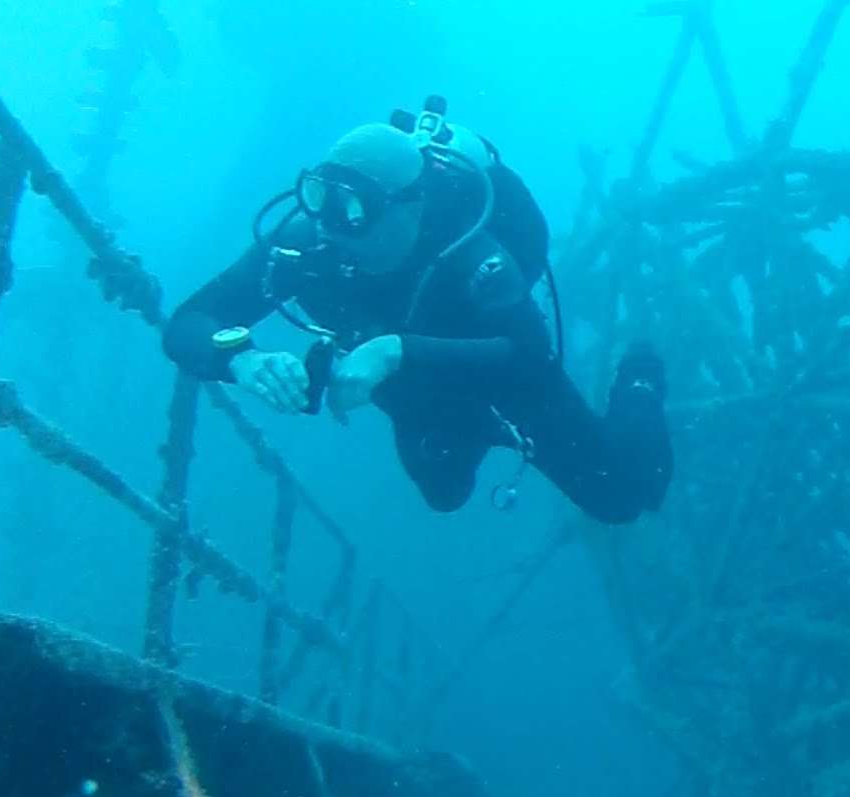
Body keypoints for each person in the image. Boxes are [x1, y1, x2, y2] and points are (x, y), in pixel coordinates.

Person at [163, 100, 673, 526]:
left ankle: (640, 377)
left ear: (411, 206)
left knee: (621, 498)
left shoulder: (474, 254)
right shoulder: (309, 244)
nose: (335, 228)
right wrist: (242, 360)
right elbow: (188, 322)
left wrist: (396, 350)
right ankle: (475, 426)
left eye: (356, 211)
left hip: (496, 366)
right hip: (413, 381)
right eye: (320, 198)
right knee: (443, 492)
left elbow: (531, 358)